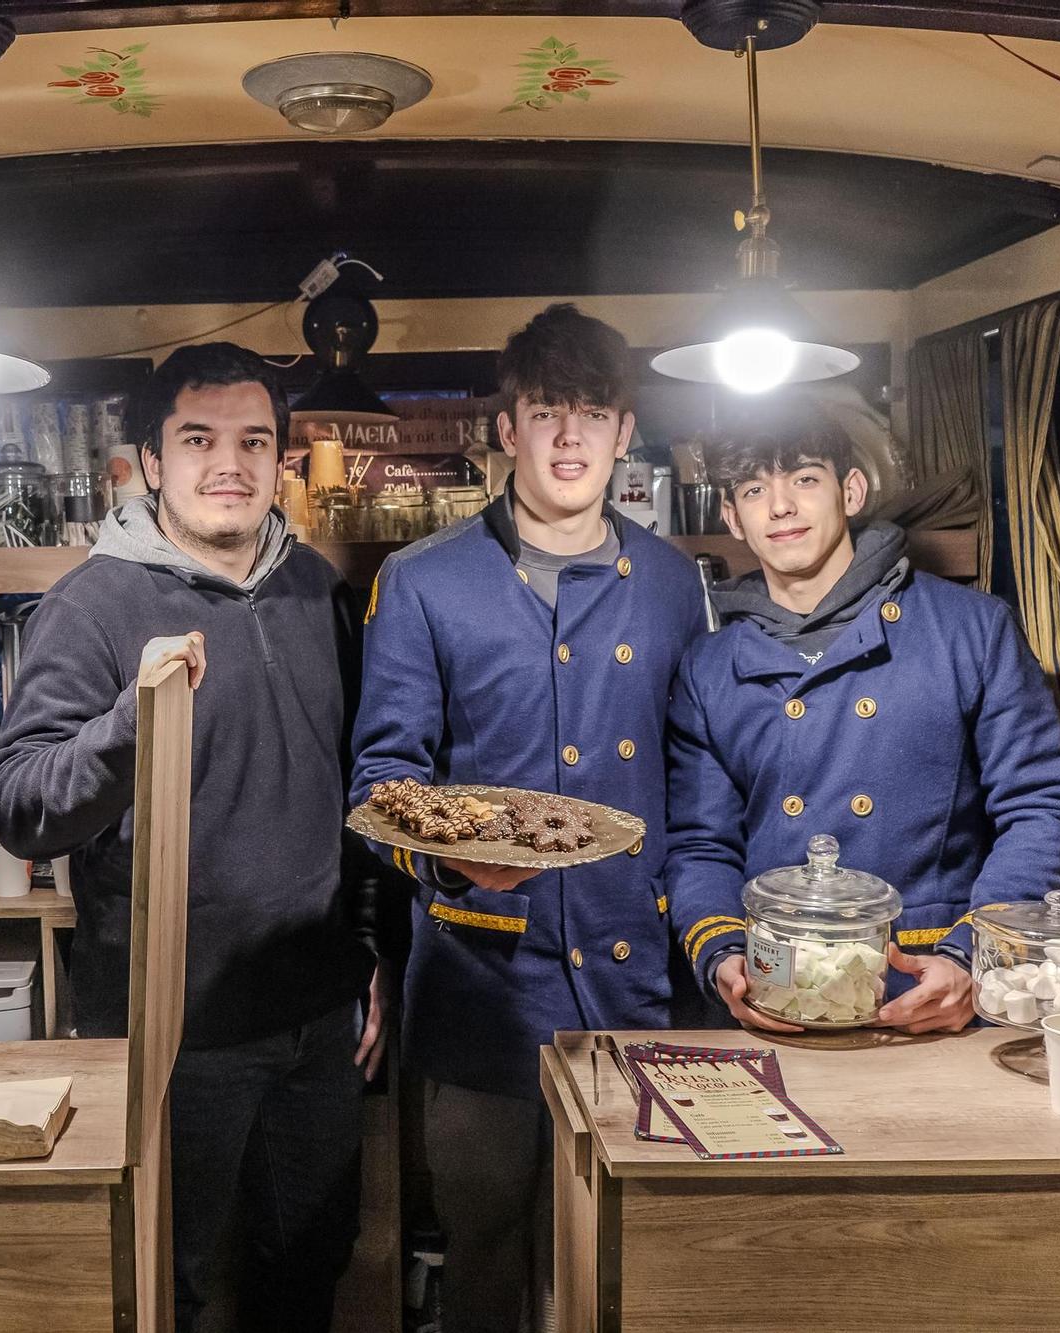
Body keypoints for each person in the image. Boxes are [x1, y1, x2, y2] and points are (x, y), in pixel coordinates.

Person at [0, 342, 381, 1332]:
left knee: (308, 1265)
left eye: (254, 441)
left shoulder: (319, 594)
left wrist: (375, 950)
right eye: (197, 439)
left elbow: (364, 793)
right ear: (148, 463)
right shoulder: (93, 603)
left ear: (281, 459)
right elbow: (21, 801)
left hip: (317, 1019)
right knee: (174, 1283)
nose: (229, 464)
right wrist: (128, 725)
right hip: (170, 1028)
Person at [352, 304, 705, 1333]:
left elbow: (701, 774)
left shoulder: (675, 584)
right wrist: (453, 871)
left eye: (590, 414)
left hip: (638, 973)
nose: (566, 438)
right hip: (480, 981)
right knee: (483, 1242)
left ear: (623, 433)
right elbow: (381, 784)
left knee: (631, 1257)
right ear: (504, 428)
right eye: (545, 412)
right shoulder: (421, 581)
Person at [665, 411, 1060, 1034]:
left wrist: (975, 954)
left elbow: (1043, 808)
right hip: (775, 994)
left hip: (928, 991)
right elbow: (701, 844)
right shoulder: (708, 667)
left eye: (805, 479)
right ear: (731, 518)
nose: (781, 507)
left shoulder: (971, 630)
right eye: (755, 490)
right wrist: (724, 957)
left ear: (852, 491)